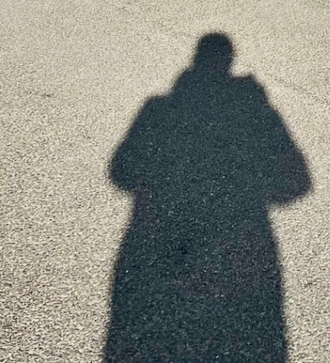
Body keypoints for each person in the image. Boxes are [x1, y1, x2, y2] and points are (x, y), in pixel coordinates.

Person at [105, 33, 311, 362]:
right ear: (230, 64)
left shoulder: (159, 112)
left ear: (194, 63)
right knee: (237, 343)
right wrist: (250, 191)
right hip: (241, 253)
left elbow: (122, 172)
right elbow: (297, 182)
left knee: (160, 341)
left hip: (165, 247)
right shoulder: (257, 116)